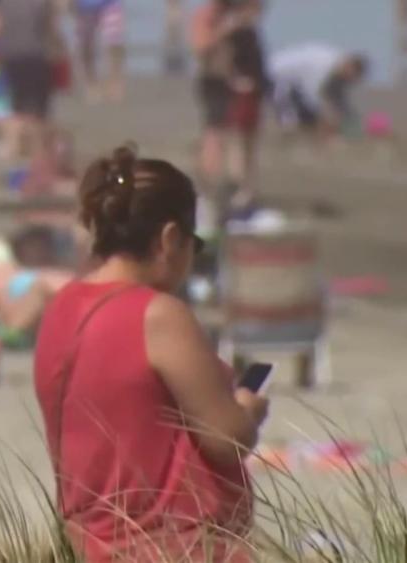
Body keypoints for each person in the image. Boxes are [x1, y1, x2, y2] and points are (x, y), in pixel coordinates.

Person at [34, 146, 268, 561]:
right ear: (170, 239)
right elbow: (227, 439)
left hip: (88, 545)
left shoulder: (61, 307)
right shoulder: (159, 316)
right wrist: (248, 408)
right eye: (194, 244)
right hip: (172, 547)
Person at [0, 0, 61, 158]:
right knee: (39, 109)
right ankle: (38, 149)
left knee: (17, 105)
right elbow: (50, 28)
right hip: (36, 55)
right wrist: (58, 51)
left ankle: (12, 148)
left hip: (11, 55)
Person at [270, 44, 369, 140]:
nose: (348, 81)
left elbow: (338, 99)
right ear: (349, 66)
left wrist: (350, 120)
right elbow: (313, 99)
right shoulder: (322, 67)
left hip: (295, 85)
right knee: (291, 121)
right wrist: (330, 119)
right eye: (351, 77)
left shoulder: (335, 65)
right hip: (277, 77)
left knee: (311, 118)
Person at [224, 0, 267, 213]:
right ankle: (240, 188)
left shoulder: (250, 32)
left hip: (253, 91)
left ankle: (247, 188)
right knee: (239, 141)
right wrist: (234, 79)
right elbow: (226, 58)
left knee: (249, 142)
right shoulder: (235, 30)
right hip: (242, 91)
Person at [190, 0, 236, 191]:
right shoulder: (206, 16)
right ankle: (209, 176)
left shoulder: (229, 15)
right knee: (213, 131)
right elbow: (201, 47)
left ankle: (219, 176)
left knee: (225, 132)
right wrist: (223, 31)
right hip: (211, 79)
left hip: (227, 81)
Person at [71, 0, 126, 102]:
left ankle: (115, 82)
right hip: (84, 6)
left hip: (110, 4)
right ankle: (91, 83)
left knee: (114, 42)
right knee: (86, 45)